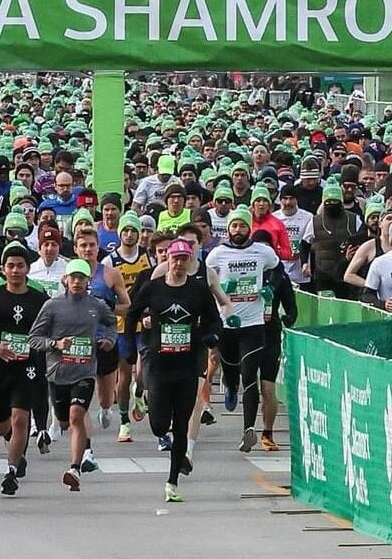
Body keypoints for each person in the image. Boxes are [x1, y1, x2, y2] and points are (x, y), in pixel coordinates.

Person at [128, 239, 228, 501]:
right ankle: (147, 401)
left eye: (185, 259)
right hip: (160, 366)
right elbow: (131, 313)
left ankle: (172, 483)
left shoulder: (198, 290)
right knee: (160, 426)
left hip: (187, 365)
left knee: (181, 425)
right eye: (176, 259)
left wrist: (211, 337)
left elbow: (215, 321)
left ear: (190, 260)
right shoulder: (153, 288)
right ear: (168, 260)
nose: (180, 263)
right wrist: (130, 344)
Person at [28, 258, 118, 492]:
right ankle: (63, 432)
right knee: (65, 421)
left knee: (78, 415)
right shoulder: (52, 306)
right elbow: (34, 339)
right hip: (58, 373)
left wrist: (108, 340)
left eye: (82, 278)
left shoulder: (96, 305)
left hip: (85, 371)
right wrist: (55, 344)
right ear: (65, 280)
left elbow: (112, 323)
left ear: (89, 281)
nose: (77, 282)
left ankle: (74, 469)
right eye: (73, 277)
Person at [202, 213, 285, 452]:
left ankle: (248, 429)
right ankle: (229, 385)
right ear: (228, 229)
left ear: (249, 228)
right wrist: (219, 289)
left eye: (242, 225)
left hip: (254, 324)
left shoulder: (262, 251)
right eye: (234, 225)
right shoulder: (217, 254)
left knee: (250, 376)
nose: (238, 229)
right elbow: (204, 280)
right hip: (228, 324)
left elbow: (278, 270)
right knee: (232, 371)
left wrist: (270, 286)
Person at [0, 242, 49, 497]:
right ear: (3, 269)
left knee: (20, 419)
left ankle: (11, 471)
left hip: (28, 366)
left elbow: (52, 326)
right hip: (0, 366)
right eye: (11, 266)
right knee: (3, 426)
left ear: (27, 268)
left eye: (20, 266)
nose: (15, 271)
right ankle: (14, 448)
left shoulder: (39, 298)